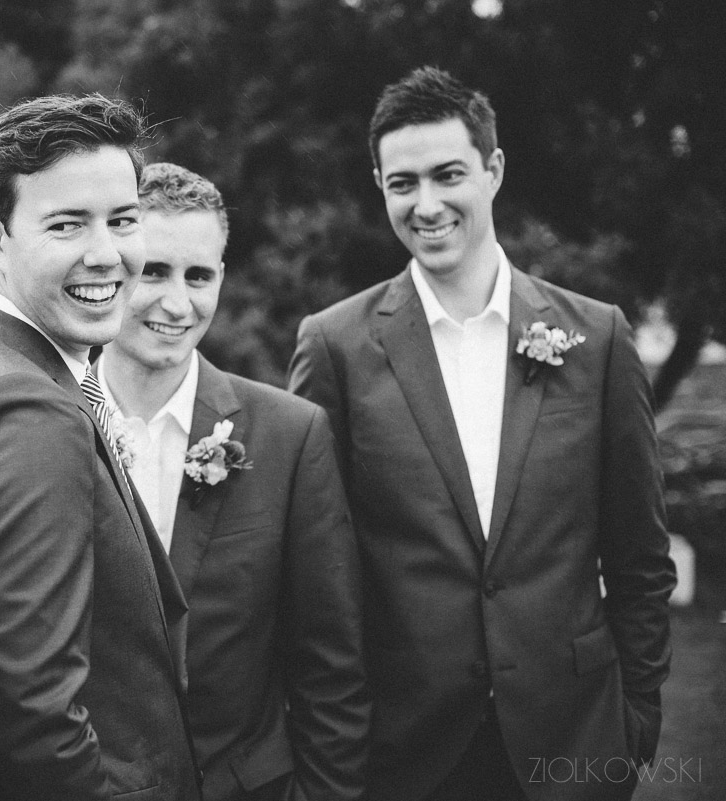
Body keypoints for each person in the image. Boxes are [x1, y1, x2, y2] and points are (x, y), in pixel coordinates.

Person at [288, 66, 676, 801]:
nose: (427, 204)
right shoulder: (334, 346)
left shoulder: (597, 338)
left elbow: (640, 553)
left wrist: (638, 716)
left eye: (448, 175)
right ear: (379, 186)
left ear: (493, 170)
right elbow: (314, 572)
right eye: (403, 183)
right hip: (405, 753)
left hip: (575, 741)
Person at [0, 95, 201, 801]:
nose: (106, 254)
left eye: (122, 220)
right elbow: (29, 715)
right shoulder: (19, 406)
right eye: (67, 225)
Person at [96, 162, 368, 801]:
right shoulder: (49, 421)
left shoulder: (290, 436)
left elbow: (331, 667)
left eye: (199, 276)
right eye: (153, 271)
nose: (177, 303)